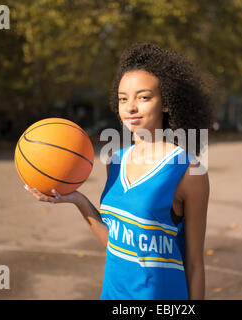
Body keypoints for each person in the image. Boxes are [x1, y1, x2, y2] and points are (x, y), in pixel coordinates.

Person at [26, 42, 213, 300]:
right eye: (123, 98)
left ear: (167, 103)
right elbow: (115, 245)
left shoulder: (188, 171)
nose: (130, 107)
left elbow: (194, 264)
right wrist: (78, 200)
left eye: (143, 97)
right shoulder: (115, 160)